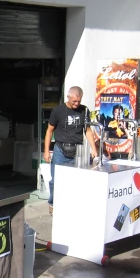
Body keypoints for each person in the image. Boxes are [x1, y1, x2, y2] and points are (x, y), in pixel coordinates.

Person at [43, 86, 97, 215]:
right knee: (55, 179)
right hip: (60, 149)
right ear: (68, 97)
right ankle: (53, 204)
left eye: (79, 101)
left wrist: (93, 148)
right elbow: (49, 131)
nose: (77, 104)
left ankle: (72, 204)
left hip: (78, 149)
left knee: (77, 179)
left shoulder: (84, 110)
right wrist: (46, 151)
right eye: (74, 101)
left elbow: (87, 130)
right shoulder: (58, 110)